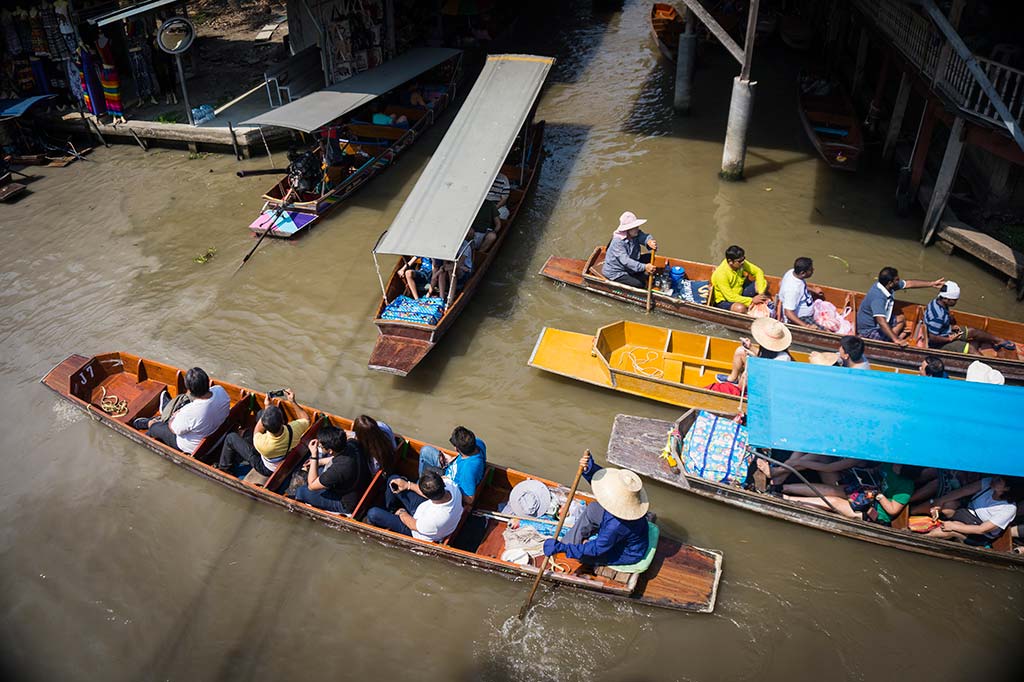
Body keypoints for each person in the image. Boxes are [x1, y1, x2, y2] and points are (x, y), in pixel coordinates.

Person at [542, 452, 650, 567]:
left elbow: (598, 548)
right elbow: (604, 484)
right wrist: (590, 469)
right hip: (619, 530)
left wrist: (563, 548)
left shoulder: (616, 525)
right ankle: (573, 542)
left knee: (583, 555)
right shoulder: (624, 501)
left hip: (624, 552)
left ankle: (571, 546)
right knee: (593, 508)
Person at [783, 463, 922, 525]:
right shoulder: (891, 466)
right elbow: (876, 471)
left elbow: (892, 510)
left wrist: (879, 495)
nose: (895, 466)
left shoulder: (906, 487)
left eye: (900, 467)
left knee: (833, 501)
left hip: (874, 510)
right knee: (831, 490)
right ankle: (784, 487)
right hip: (866, 492)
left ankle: (787, 499)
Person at [217, 389, 309, 475]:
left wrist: (268, 407)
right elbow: (306, 419)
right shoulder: (293, 429)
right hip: (281, 453)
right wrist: (292, 401)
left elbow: (257, 430)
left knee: (231, 438)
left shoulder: (260, 443)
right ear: (282, 422)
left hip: (266, 468)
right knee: (261, 413)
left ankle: (224, 468)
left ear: (266, 427)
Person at [141, 367, 230, 454]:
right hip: (219, 436)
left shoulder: (191, 412)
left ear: (189, 389)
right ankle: (165, 410)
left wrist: (173, 417)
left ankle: (150, 423)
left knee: (155, 427)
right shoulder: (220, 390)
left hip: (196, 447)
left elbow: (173, 429)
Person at [856, 266, 944, 346]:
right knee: (895, 329)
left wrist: (932, 284)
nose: (899, 281)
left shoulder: (885, 285)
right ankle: (892, 339)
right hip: (869, 330)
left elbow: (909, 284)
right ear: (890, 283)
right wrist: (896, 339)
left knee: (901, 319)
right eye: (897, 280)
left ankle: (895, 335)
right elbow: (881, 321)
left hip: (878, 321)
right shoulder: (878, 298)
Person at [365, 470, 463, 542]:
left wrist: (402, 512)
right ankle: (390, 509)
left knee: (373, 513)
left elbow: (412, 524)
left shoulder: (435, 520)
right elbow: (443, 481)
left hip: (415, 531)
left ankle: (384, 517)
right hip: (422, 509)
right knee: (393, 480)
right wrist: (408, 485)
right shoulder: (452, 486)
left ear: (427, 496)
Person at [294, 425, 370, 515]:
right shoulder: (353, 444)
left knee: (302, 491)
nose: (319, 447)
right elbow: (340, 459)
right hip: (360, 486)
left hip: (347, 504)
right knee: (319, 470)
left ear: (330, 451)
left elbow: (312, 486)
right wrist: (320, 462)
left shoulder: (337, 470)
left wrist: (314, 455)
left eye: (321, 447)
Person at [924, 281, 1015, 355]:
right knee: (970, 349)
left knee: (972, 331)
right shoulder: (937, 316)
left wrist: (951, 327)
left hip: (945, 331)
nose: (956, 302)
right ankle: (987, 367)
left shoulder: (937, 301)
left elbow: (939, 325)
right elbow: (933, 337)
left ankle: (999, 341)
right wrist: (949, 339)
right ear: (947, 299)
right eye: (954, 300)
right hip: (938, 343)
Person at [925, 476, 1022, 543]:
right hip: (966, 514)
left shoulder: (1009, 508)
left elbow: (982, 529)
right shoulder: (989, 483)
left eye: (999, 481)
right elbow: (963, 491)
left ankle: (922, 538)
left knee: (948, 529)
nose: (995, 480)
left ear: (1007, 488)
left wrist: (953, 527)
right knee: (947, 504)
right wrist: (939, 502)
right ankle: (914, 512)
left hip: (979, 533)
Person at [417, 426, 487, 504]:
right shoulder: (478, 443)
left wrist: (444, 481)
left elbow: (469, 499)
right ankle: (421, 480)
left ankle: (421, 485)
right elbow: (465, 456)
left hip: (448, 485)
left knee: (423, 485)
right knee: (426, 451)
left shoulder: (467, 471)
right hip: (451, 469)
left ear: (456, 449)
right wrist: (452, 459)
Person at [720, 318, 792, 387]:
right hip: (761, 369)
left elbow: (769, 376)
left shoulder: (783, 358)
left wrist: (753, 363)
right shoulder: (770, 350)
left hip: (765, 382)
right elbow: (763, 355)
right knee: (741, 351)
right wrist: (750, 347)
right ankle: (732, 378)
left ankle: (740, 390)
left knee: (744, 377)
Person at [601, 211, 657, 288]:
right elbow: (626, 261)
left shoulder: (635, 233)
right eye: (635, 228)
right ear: (627, 229)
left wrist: (649, 241)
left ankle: (638, 273)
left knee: (650, 257)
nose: (638, 229)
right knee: (639, 284)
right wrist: (644, 267)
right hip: (617, 271)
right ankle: (638, 276)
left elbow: (644, 237)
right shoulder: (618, 242)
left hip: (630, 264)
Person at [710, 245, 770, 314]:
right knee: (740, 308)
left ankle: (756, 304)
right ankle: (749, 314)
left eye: (743, 258)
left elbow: (758, 271)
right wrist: (752, 300)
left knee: (763, 283)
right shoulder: (721, 274)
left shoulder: (741, 263)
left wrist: (761, 293)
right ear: (730, 262)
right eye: (740, 261)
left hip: (739, 291)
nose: (742, 262)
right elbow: (730, 297)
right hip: (725, 300)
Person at [778, 257, 823, 328]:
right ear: (803, 273)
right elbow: (788, 313)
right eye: (810, 270)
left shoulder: (792, 272)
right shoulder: (792, 290)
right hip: (802, 318)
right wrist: (807, 326)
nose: (813, 270)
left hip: (808, 307)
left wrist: (813, 290)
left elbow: (801, 287)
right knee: (823, 332)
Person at [429, 230, 473, 302]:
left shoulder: (465, 246)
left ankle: (450, 299)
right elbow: (445, 262)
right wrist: (442, 269)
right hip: (452, 267)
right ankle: (441, 298)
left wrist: (442, 269)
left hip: (464, 270)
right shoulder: (448, 245)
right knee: (445, 270)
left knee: (451, 270)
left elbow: (459, 263)